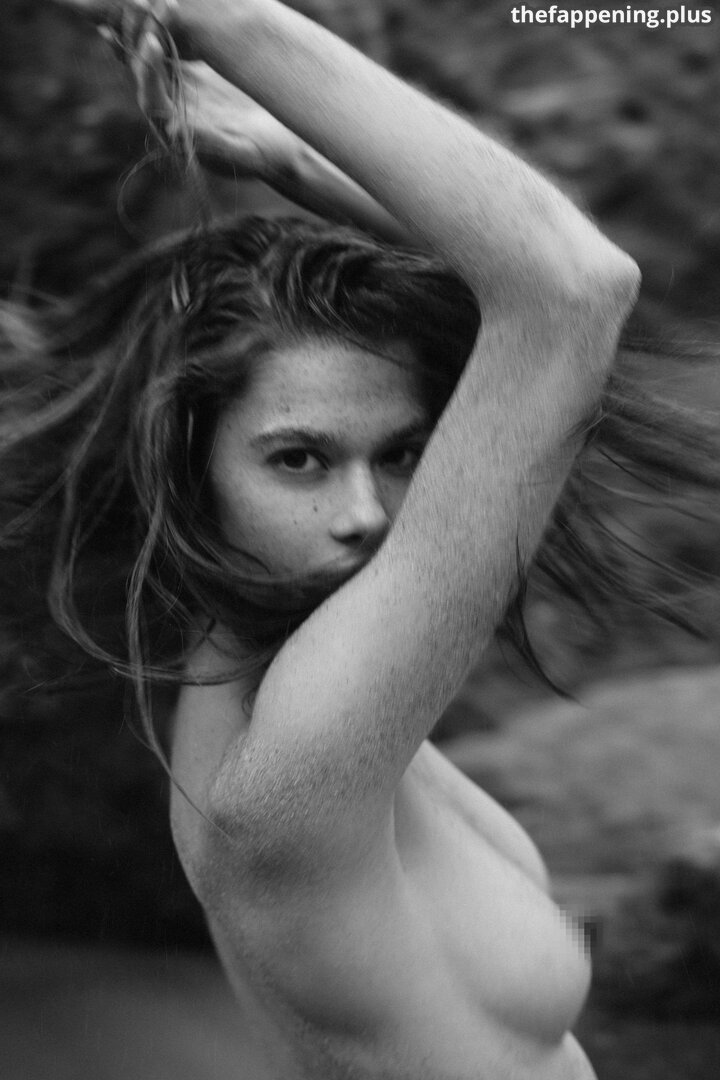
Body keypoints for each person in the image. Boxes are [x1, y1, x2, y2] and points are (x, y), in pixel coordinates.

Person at [2, 1, 717, 1077]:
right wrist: (222, 18)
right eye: (298, 460)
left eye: (402, 453)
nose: (367, 515)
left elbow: (515, 331)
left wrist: (291, 158)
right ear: (190, 470)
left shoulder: (282, 662)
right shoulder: (296, 757)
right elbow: (571, 293)